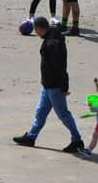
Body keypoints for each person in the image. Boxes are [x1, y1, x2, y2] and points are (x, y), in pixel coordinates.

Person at [13, 17, 84, 152]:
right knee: (40, 112)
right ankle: (31, 137)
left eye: (36, 30)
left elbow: (60, 68)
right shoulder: (52, 37)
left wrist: (64, 87)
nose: (36, 33)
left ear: (40, 29)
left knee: (63, 114)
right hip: (48, 85)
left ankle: (77, 140)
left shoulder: (52, 44)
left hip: (54, 86)